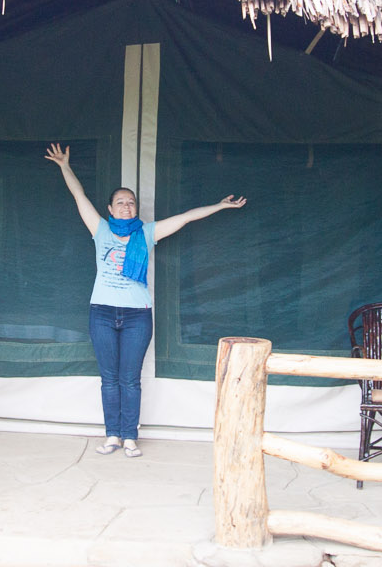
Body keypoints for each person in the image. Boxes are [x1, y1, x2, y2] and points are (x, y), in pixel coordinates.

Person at [44, 143, 245, 456]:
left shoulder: (147, 233)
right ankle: (112, 435)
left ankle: (129, 437)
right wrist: (64, 166)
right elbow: (79, 196)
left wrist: (219, 206)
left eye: (131, 202)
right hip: (102, 313)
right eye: (120, 202)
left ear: (136, 208)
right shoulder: (100, 230)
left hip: (137, 315)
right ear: (110, 209)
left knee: (130, 379)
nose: (126, 206)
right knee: (109, 379)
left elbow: (185, 218)